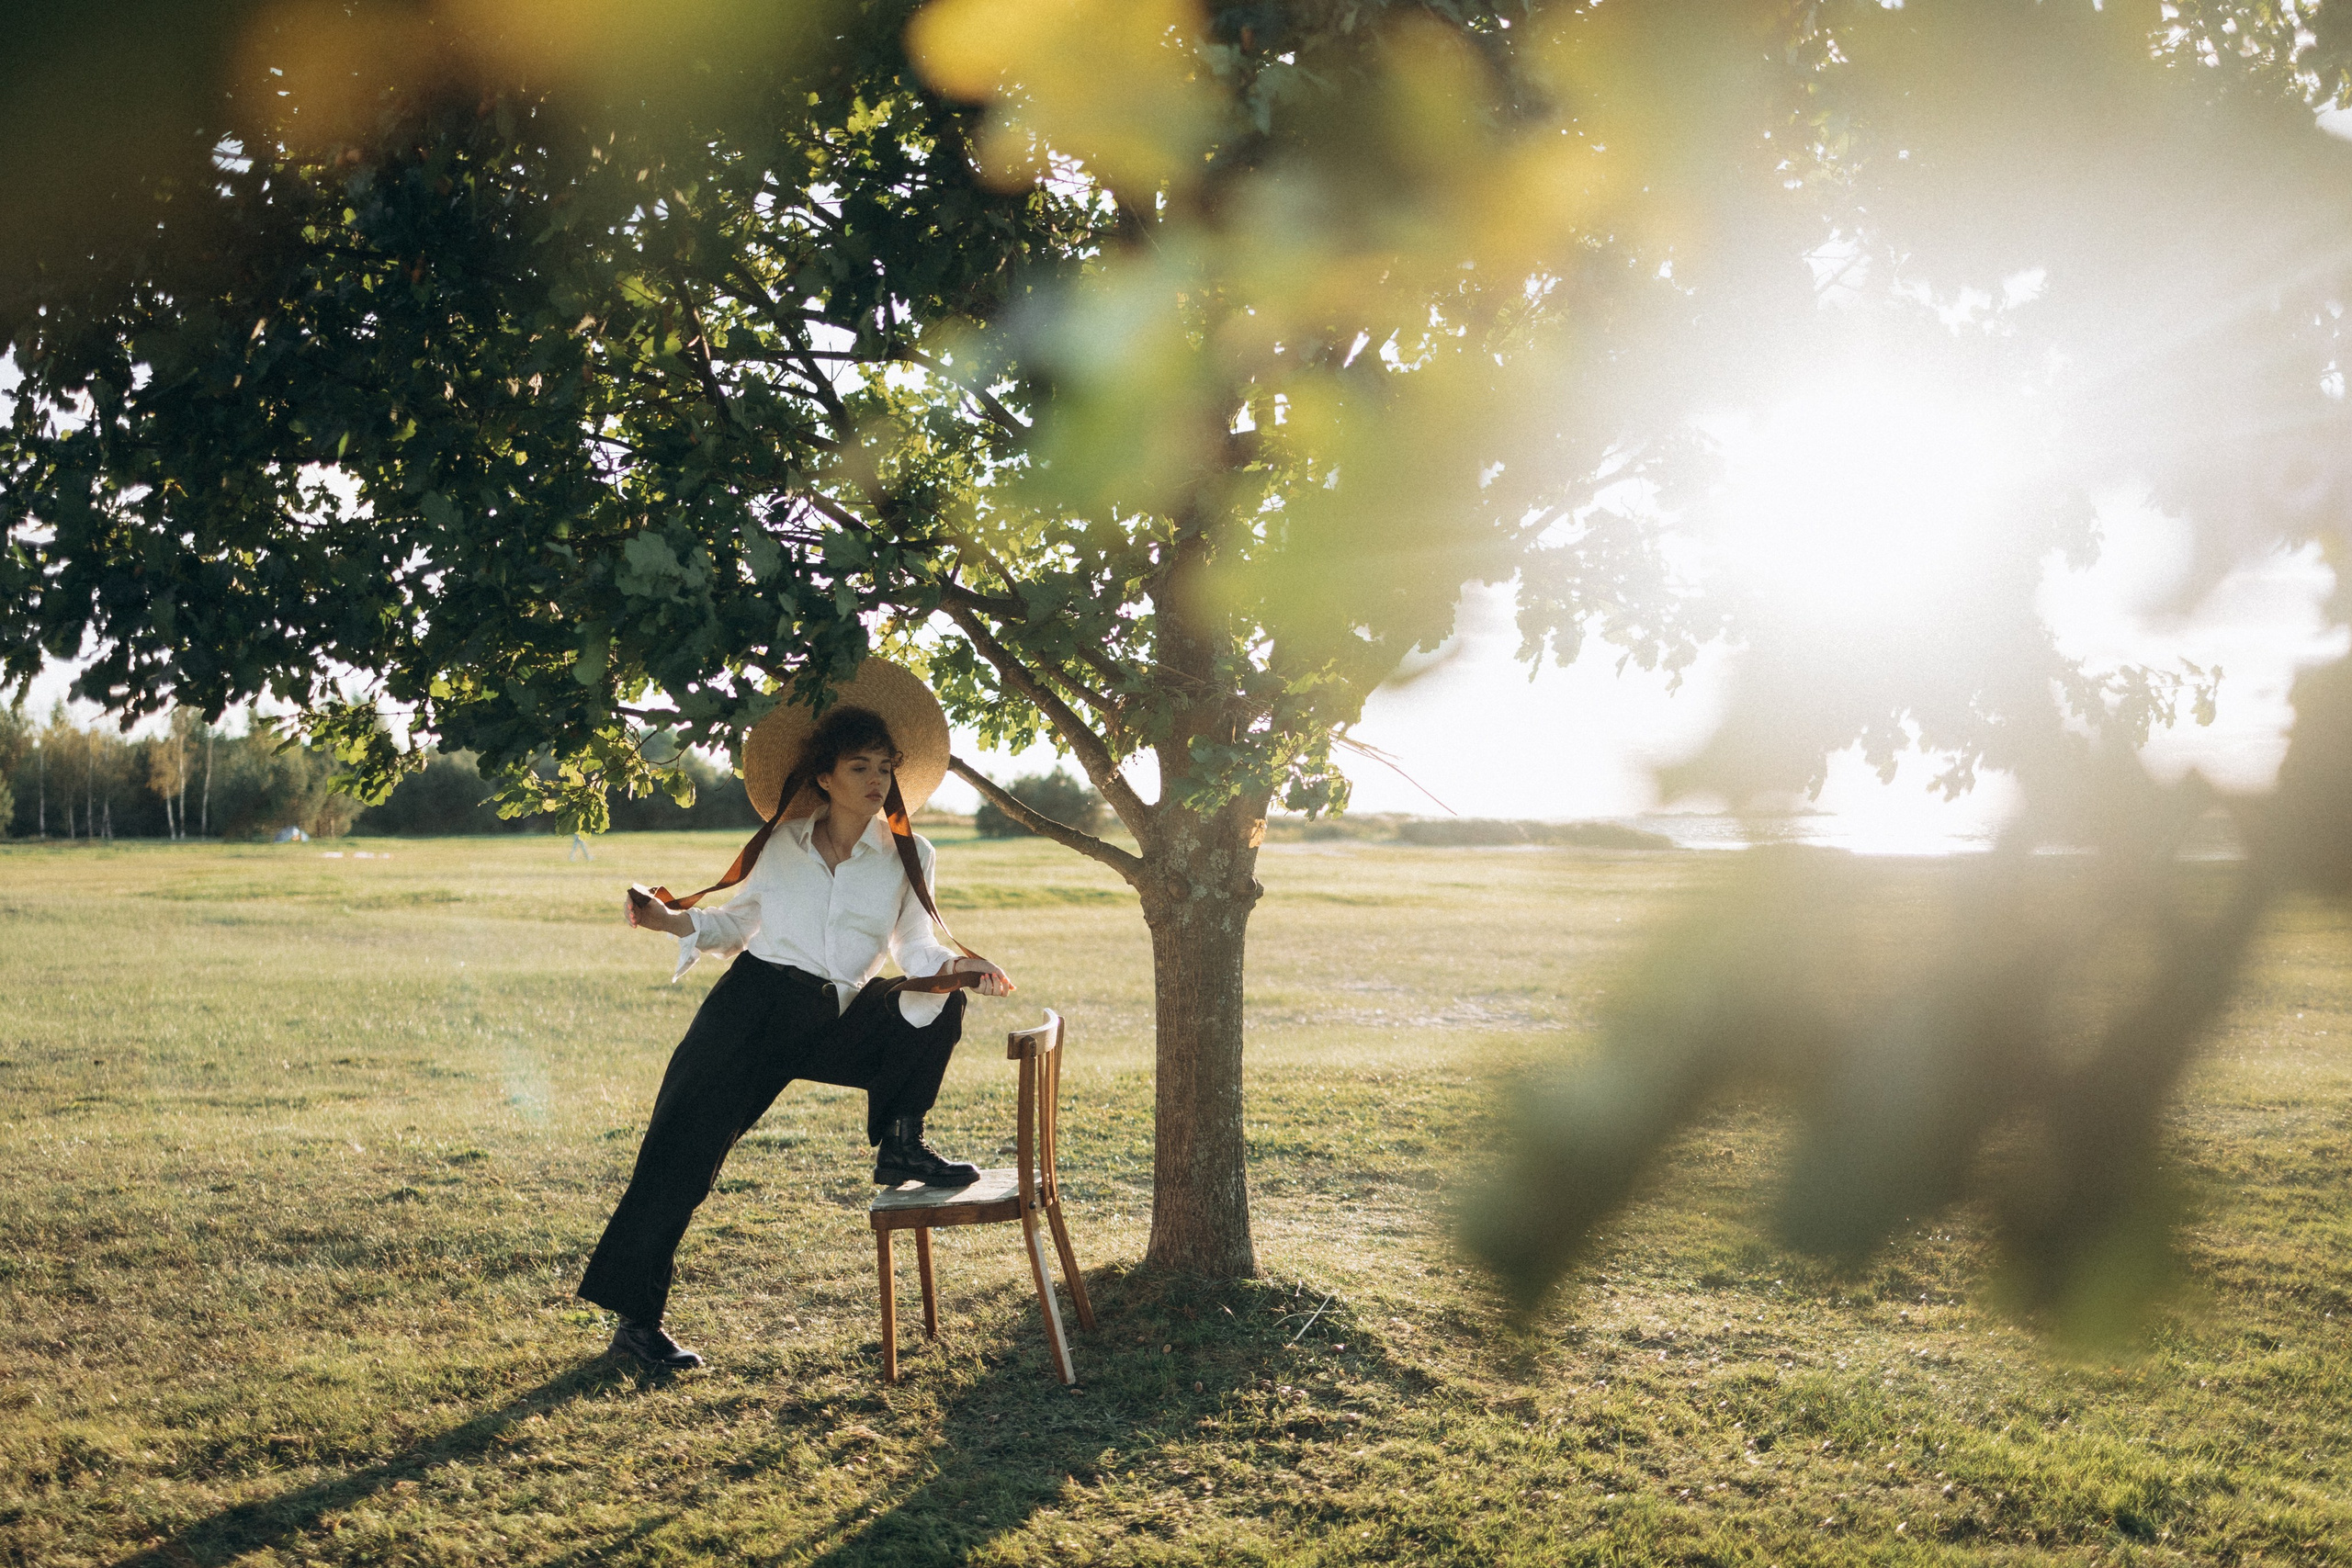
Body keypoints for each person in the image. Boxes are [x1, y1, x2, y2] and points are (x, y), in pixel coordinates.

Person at [577, 660, 1013, 1370]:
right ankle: (635, 1326)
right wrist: (665, 922)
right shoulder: (783, 842)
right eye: (859, 766)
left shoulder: (911, 854)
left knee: (936, 1000)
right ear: (825, 776)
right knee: (678, 1157)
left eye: (885, 767)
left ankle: (902, 1141)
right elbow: (735, 922)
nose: (876, 780)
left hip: (836, 1016)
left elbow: (916, 945)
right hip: (750, 1010)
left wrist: (959, 969)